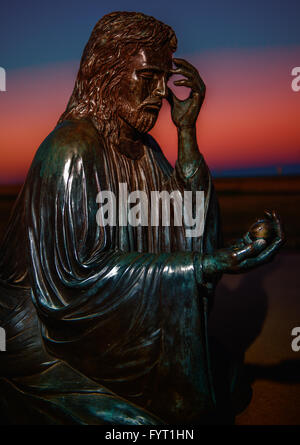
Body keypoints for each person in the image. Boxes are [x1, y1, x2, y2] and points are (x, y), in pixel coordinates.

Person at [0, 11, 283, 425]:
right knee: (138, 422)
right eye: (146, 76)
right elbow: (70, 286)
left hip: (108, 310)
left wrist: (186, 133)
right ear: (108, 73)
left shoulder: (145, 149)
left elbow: (185, 223)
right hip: (42, 325)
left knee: (211, 376)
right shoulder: (71, 149)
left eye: (162, 80)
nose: (157, 93)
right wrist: (202, 266)